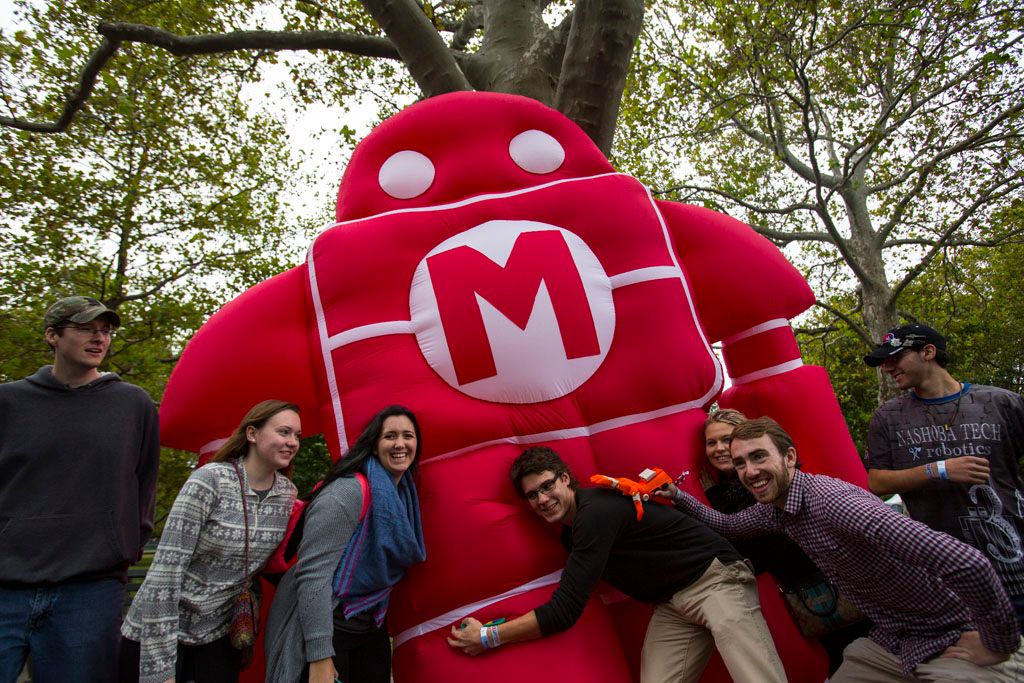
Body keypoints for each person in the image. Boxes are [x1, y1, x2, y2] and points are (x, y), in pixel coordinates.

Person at [669, 416, 1024, 682]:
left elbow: (967, 561)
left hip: (953, 636)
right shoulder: (778, 508)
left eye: (759, 457)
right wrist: (676, 495)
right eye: (741, 462)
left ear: (789, 457)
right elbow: (730, 526)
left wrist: (998, 641)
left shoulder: (834, 504)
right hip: (891, 644)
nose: (750, 471)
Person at [447, 446, 787, 683]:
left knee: (756, 677)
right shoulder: (572, 531)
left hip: (716, 580)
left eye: (547, 485)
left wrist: (489, 636)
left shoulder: (594, 513)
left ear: (565, 478)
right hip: (673, 605)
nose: (542, 499)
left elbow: (565, 610)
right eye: (532, 495)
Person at [0, 296, 159, 683]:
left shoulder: (132, 404)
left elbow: (144, 481)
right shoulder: (8, 402)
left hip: (90, 588)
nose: (98, 338)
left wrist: (124, 546)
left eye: (105, 330)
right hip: (6, 583)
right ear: (53, 335)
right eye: (86, 328)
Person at [120, 400, 300, 683]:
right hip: (161, 630)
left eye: (297, 436)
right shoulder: (210, 481)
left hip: (219, 635)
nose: (292, 442)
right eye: (284, 432)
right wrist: (161, 671)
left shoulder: (287, 495)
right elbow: (164, 576)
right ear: (252, 434)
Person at [862, 323, 1024, 632]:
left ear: (928, 352)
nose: (887, 367)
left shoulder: (1002, 403)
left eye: (895, 357)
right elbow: (877, 482)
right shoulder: (889, 417)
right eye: (884, 361)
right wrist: (939, 469)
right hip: (949, 579)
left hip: (1015, 567)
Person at [264, 405, 426, 683]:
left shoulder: (404, 498)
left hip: (368, 626)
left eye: (408, 436)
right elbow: (313, 575)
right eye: (390, 436)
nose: (400, 444)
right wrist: (319, 657)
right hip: (324, 630)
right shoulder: (347, 492)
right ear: (374, 446)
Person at [697, 409, 867, 671]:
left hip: (829, 583)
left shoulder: (767, 482)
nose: (719, 448)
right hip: (799, 594)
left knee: (860, 654)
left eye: (727, 440)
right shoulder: (729, 486)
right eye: (711, 442)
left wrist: (714, 497)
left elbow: (756, 552)